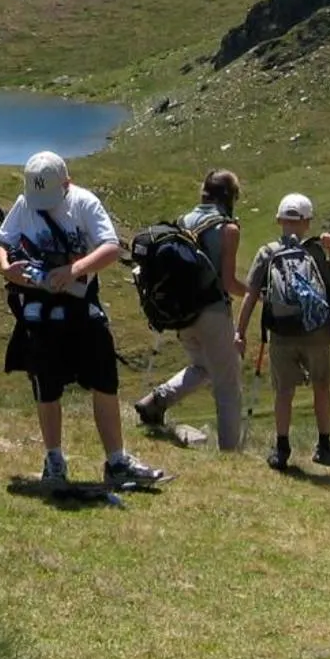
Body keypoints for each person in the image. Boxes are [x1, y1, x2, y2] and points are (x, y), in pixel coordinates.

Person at [0, 151, 167, 489]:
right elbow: (3, 241)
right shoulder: (24, 204)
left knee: (104, 382)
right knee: (47, 388)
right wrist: (7, 268)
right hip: (40, 313)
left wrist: (73, 270)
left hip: (81, 309)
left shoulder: (84, 203)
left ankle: (117, 461)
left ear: (67, 184)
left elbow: (111, 247)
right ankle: (54, 460)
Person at [131, 170, 246, 452]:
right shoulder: (228, 228)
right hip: (213, 312)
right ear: (230, 196)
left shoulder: (182, 222)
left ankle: (156, 401)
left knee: (203, 367)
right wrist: (255, 293)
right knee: (227, 383)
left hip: (182, 314)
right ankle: (231, 451)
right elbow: (229, 282)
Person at [236, 192, 330, 471]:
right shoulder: (316, 250)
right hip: (317, 332)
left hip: (281, 333)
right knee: (322, 386)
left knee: (283, 391)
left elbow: (250, 295)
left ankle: (281, 447)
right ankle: (324, 445)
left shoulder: (267, 252)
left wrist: (240, 332)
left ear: (278, 220)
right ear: (307, 222)